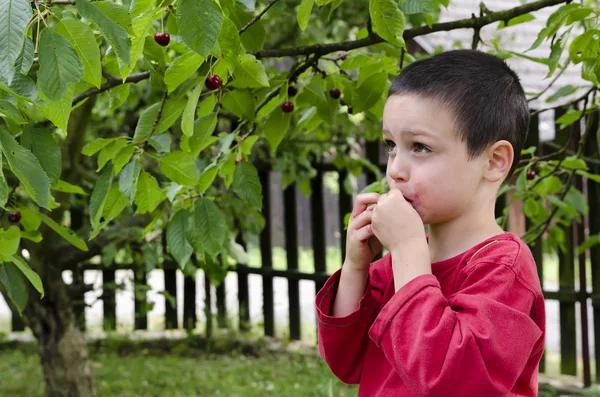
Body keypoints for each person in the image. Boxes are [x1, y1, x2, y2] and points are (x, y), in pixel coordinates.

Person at [315, 49, 545, 396]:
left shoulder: (504, 269)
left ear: (494, 161)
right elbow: (347, 361)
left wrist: (408, 249)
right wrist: (356, 268)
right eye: (392, 145)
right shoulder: (397, 266)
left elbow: (453, 383)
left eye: (420, 147)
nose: (394, 169)